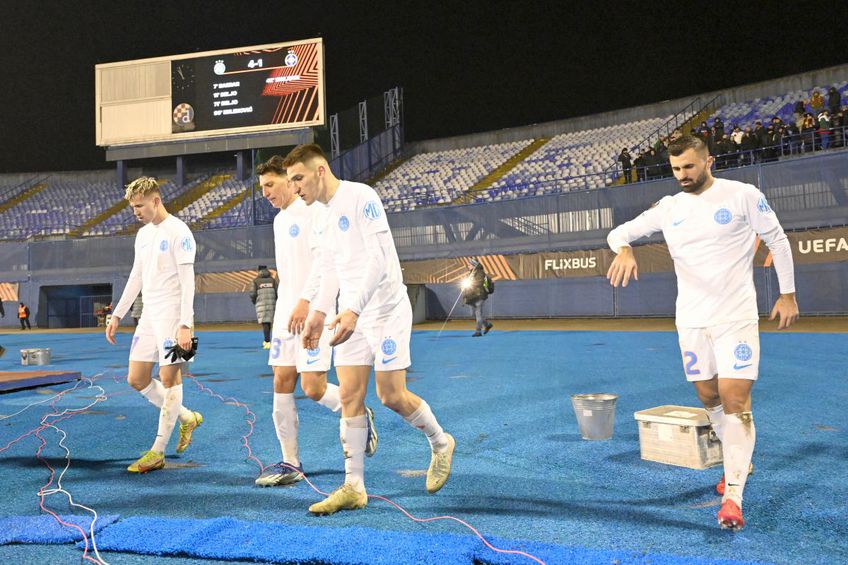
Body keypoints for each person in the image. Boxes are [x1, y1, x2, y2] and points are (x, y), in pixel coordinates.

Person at [606, 135, 798, 531]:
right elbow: (618, 233)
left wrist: (787, 294)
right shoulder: (670, 207)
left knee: (735, 398)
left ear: (708, 161)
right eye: (676, 169)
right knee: (708, 395)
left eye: (689, 167)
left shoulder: (742, 195)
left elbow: (778, 239)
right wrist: (624, 248)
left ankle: (733, 495)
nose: (682, 175)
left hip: (735, 317)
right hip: (691, 320)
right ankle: (738, 456)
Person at [288, 144, 455, 515]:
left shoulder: (361, 196)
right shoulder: (319, 215)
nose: (294, 187)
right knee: (349, 395)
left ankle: (441, 443)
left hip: (384, 312)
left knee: (392, 396)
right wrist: (318, 312)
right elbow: (330, 267)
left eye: (297, 178)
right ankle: (354, 486)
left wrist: (353, 309)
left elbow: (379, 259)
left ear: (319, 170)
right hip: (349, 314)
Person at [252, 156, 378, 487]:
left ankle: (356, 411)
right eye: (262, 187)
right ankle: (290, 462)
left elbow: (325, 263)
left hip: (312, 310)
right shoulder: (280, 221)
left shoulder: (314, 212)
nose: (265, 193)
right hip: (284, 312)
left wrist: (306, 302)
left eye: (271, 184)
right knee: (281, 380)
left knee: (312, 388)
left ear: (289, 180)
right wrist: (288, 301)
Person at [106, 177, 203, 474]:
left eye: (140, 206)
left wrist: (185, 324)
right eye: (133, 206)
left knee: (170, 377)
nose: (136, 211)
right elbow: (136, 276)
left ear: (156, 201)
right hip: (149, 315)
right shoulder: (143, 235)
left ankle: (157, 452)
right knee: (136, 379)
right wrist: (117, 314)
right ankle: (188, 417)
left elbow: (188, 283)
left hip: (175, 317)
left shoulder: (179, 232)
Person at [462, 259, 494, 336]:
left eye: (469, 265)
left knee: (478, 314)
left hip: (480, 295)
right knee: (475, 314)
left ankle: (478, 331)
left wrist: (470, 284)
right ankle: (487, 325)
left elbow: (479, 283)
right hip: (472, 296)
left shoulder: (480, 273)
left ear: (474, 265)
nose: (468, 266)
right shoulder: (471, 274)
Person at [249, 265, 278, 348]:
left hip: (261, 304)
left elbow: (252, 293)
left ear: (259, 271)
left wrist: (255, 301)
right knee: (271, 322)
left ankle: (267, 342)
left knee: (265, 323)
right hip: (272, 303)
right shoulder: (272, 280)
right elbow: (277, 292)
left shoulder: (256, 281)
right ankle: (272, 340)